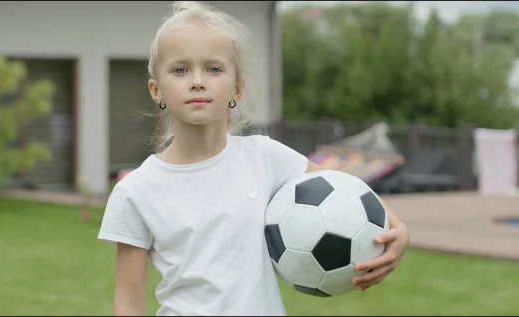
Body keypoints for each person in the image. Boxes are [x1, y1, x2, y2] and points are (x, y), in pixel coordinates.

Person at [98, 1, 410, 316]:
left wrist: (399, 229)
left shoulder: (265, 157)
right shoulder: (136, 191)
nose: (197, 80)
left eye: (213, 68)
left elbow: (344, 186)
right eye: (180, 69)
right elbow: (128, 301)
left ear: (236, 89)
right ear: (156, 90)